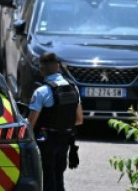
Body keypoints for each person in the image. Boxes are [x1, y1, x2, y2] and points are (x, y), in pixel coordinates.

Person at [27, 52, 84, 191]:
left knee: (47, 177)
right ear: (58, 67)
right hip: (65, 139)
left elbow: (30, 124)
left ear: (41, 69)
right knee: (59, 176)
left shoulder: (41, 92)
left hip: (46, 142)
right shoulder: (73, 88)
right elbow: (79, 120)